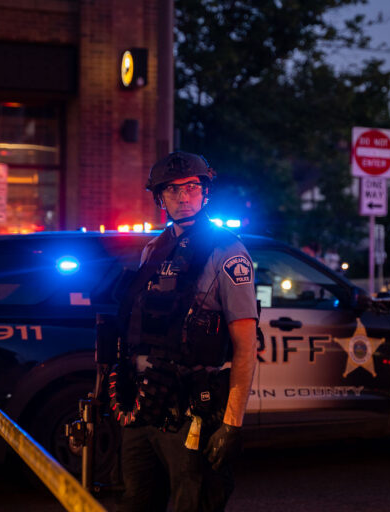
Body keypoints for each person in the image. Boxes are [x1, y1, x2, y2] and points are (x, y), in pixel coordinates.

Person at [112, 151, 258, 512]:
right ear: (159, 198)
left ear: (205, 192)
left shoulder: (228, 252)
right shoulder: (153, 250)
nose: (183, 197)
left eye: (191, 187)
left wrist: (232, 425)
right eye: (172, 190)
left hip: (192, 410)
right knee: (136, 501)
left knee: (193, 502)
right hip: (143, 403)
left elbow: (245, 346)